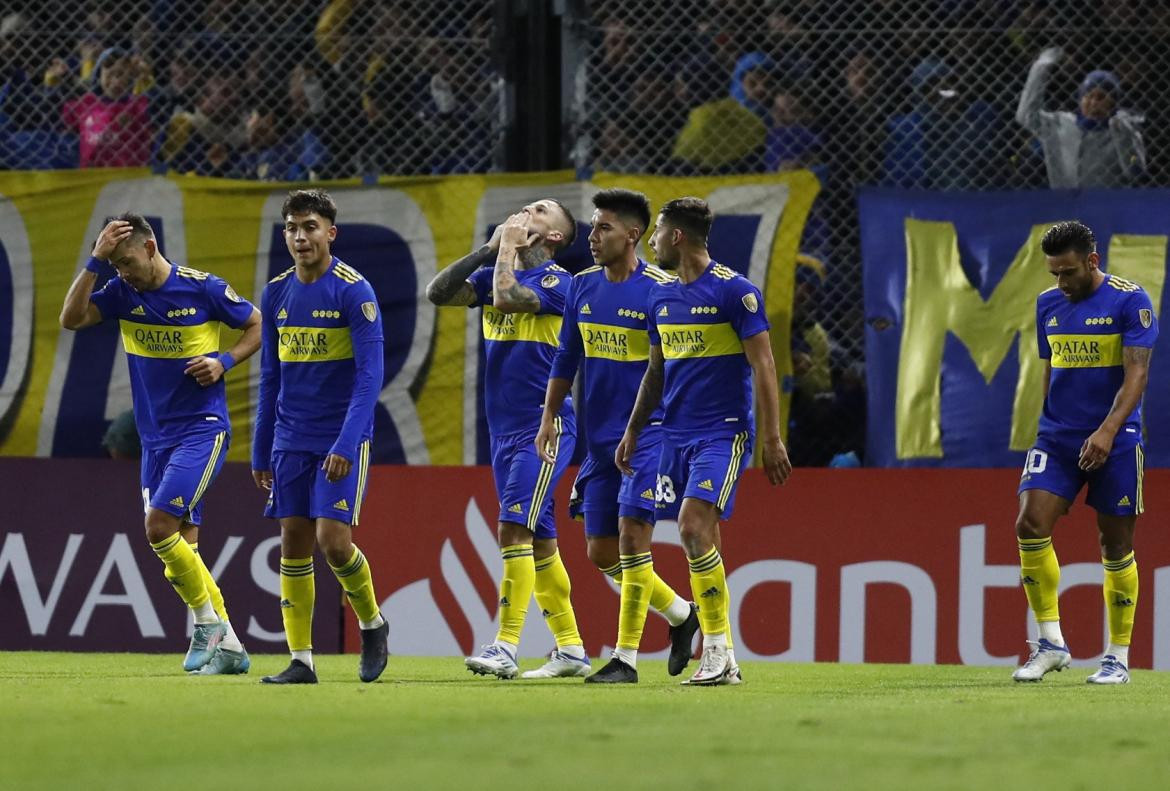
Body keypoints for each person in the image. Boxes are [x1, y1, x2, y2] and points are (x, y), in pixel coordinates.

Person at [58, 214, 261, 675]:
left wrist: (223, 361)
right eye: (115, 265)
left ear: (150, 248)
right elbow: (71, 319)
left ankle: (206, 623)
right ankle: (230, 648)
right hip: (155, 439)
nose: (123, 272)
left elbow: (256, 324)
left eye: (127, 261)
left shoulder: (203, 289)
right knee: (184, 548)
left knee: (158, 526)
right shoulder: (120, 293)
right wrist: (95, 261)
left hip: (202, 429)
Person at [616, 197, 792, 686]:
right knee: (704, 537)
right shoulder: (660, 298)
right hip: (673, 436)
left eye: (656, 235)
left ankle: (713, 652)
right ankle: (725, 657)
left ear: (677, 236)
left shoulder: (735, 293)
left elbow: (764, 365)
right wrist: (634, 429)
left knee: (693, 528)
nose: (650, 243)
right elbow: (656, 370)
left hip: (722, 433)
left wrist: (772, 438)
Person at [537, 188, 699, 684]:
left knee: (632, 541)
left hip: (649, 435)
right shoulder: (582, 287)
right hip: (599, 440)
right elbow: (566, 357)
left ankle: (624, 660)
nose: (592, 236)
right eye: (591, 226)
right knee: (601, 552)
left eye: (604, 228)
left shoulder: (660, 289)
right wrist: (549, 417)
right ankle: (680, 615)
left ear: (632, 235)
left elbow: (672, 369)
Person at [425, 199, 589, 680]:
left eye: (539, 211)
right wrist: (486, 249)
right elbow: (438, 294)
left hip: (545, 427)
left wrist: (506, 253)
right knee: (538, 540)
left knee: (512, 528)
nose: (525, 212)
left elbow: (506, 297)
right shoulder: (495, 270)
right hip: (504, 430)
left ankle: (507, 645)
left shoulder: (561, 283)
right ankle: (572, 649)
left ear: (554, 237)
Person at [251, 189, 388, 684]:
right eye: (291, 227)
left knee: (333, 542)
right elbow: (270, 377)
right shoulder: (276, 293)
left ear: (331, 233)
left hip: (340, 437)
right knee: (292, 541)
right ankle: (300, 659)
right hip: (290, 437)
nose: (300, 236)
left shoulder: (355, 291)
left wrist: (347, 443)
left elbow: (370, 376)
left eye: (309, 227)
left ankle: (372, 623)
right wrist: (260, 445)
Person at [1013, 220, 1155, 685]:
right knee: (1029, 523)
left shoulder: (1130, 300)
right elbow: (1050, 367)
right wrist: (1046, 425)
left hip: (1115, 439)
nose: (1061, 282)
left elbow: (1137, 375)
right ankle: (1050, 643)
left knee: (1115, 545)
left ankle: (1117, 657)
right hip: (1057, 438)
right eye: (1054, 273)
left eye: (1069, 272)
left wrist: (1108, 431)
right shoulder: (1047, 304)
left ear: (1091, 262)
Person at [1017, 47, 1146, 188]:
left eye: (1101, 97)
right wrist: (1041, 67)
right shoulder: (1061, 124)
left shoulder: (1123, 129)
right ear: (1080, 100)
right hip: (1067, 204)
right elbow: (1026, 115)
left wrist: (1124, 136)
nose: (1093, 102)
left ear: (1113, 103)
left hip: (1108, 205)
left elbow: (1135, 171)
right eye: (1088, 96)